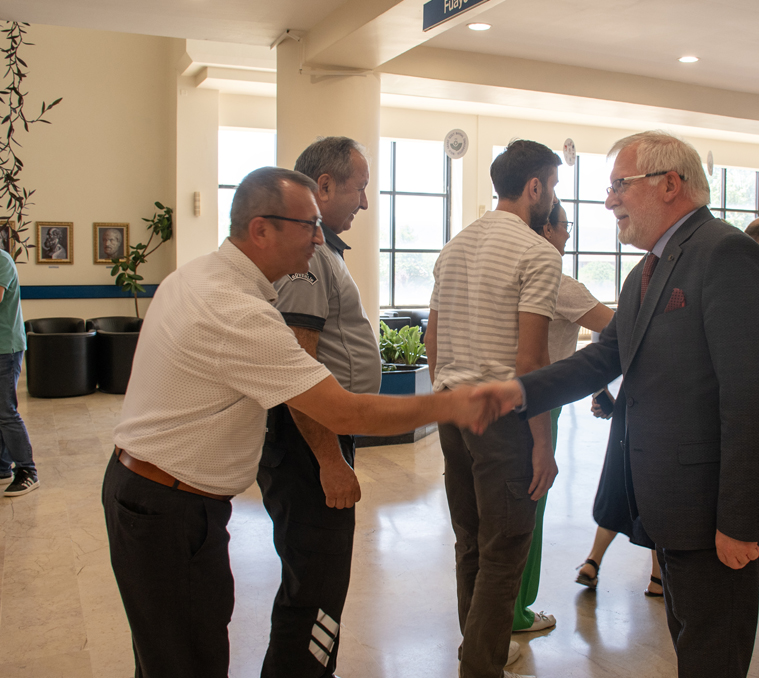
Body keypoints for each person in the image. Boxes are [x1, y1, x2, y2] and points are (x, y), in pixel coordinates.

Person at [102, 166, 496, 678]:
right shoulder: (237, 311)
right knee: (188, 660)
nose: (318, 237)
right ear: (261, 230)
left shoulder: (199, 275)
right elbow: (343, 410)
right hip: (168, 509)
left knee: (173, 655)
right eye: (308, 225)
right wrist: (454, 404)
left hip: (153, 494)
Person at [478, 131, 759, 678]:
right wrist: (521, 392)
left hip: (716, 513)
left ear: (670, 184)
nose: (608, 201)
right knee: (693, 644)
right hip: (673, 508)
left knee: (713, 655)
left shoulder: (725, 254)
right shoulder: (648, 268)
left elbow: (753, 398)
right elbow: (607, 356)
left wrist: (741, 522)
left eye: (619, 185)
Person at [425, 139, 562, 678]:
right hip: (503, 422)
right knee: (506, 550)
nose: (553, 198)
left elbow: (433, 340)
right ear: (535, 187)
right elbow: (531, 362)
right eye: (553, 186)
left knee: (471, 542)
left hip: (452, 412)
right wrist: (543, 443)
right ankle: (481, 667)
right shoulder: (538, 253)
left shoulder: (454, 246)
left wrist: (447, 399)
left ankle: (479, 651)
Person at [257, 138, 378, 677]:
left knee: (316, 585)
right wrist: (330, 460)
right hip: (308, 443)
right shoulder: (306, 263)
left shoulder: (322, 253)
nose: (365, 202)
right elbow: (298, 371)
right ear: (324, 186)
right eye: (360, 188)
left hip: (319, 437)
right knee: (315, 593)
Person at [514, 201, 615, 633]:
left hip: (499, 402)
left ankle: (498, 612)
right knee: (530, 508)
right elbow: (618, 329)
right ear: (547, 230)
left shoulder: (510, 273)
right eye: (565, 226)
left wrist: (596, 384)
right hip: (540, 406)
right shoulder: (557, 281)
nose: (568, 235)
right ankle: (517, 612)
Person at [576, 391, 663, 598]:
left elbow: (600, 369)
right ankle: (658, 579)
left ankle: (592, 561)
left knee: (618, 483)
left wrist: (601, 393)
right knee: (656, 487)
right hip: (664, 404)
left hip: (628, 402)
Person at [0, 247, 37, 497]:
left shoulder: (2, 260)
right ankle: (3, 468)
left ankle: (27, 471)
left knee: (6, 412)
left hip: (6, 348)